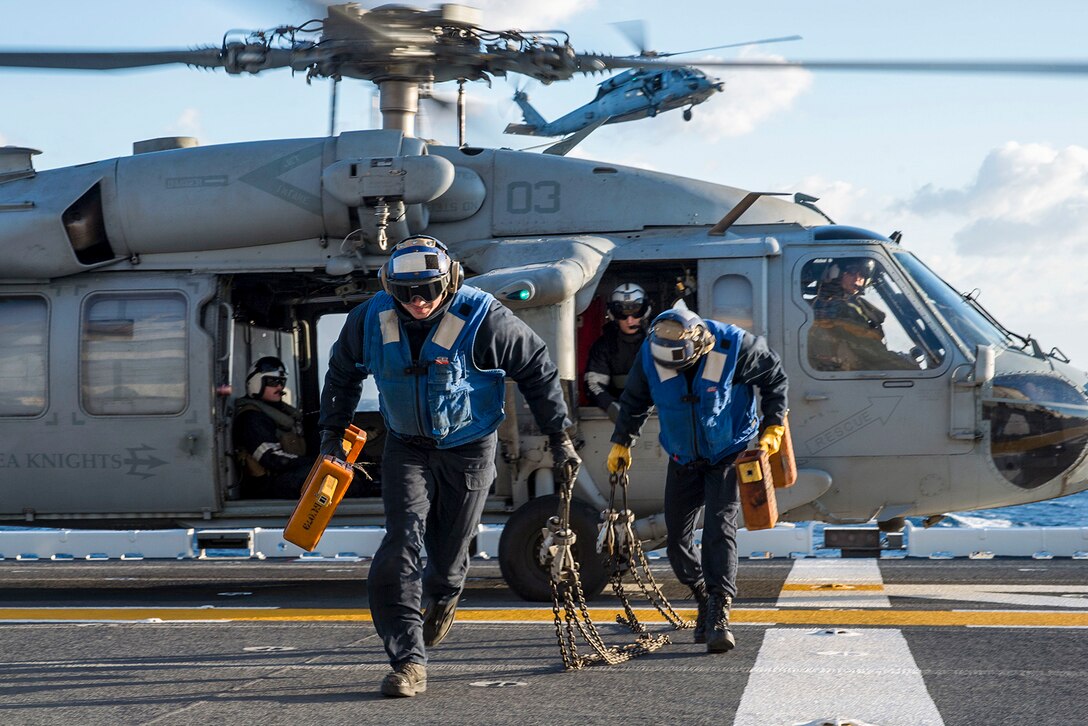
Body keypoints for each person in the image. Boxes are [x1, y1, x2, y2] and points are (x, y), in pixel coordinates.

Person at [319, 235, 579, 698]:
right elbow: (342, 373)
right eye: (406, 293)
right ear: (389, 287)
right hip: (406, 447)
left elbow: (537, 369)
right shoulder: (369, 319)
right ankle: (408, 662)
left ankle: (445, 594)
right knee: (401, 545)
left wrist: (559, 437)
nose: (418, 302)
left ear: (451, 281)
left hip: (469, 448)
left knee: (445, 561)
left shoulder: (485, 319)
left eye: (429, 291)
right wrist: (331, 437)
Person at [606, 307, 787, 654]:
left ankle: (720, 612)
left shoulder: (735, 346)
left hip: (727, 451)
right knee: (677, 540)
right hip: (683, 456)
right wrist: (621, 441)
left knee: (720, 531)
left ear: (699, 344)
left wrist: (773, 423)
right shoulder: (653, 353)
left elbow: (774, 377)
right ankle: (702, 592)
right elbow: (634, 400)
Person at [809, 258, 918, 371]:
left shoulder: (813, 305)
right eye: (851, 272)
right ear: (835, 272)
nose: (857, 279)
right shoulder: (843, 310)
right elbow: (873, 354)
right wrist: (909, 367)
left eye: (863, 274)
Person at [233, 356, 313, 499]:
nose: (280, 387)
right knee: (323, 475)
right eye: (273, 382)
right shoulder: (252, 418)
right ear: (257, 383)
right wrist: (313, 464)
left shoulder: (278, 413)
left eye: (282, 382)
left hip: (282, 477)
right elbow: (272, 458)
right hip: (266, 485)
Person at [583, 283, 651, 421]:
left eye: (636, 312)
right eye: (622, 314)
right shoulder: (603, 346)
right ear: (613, 315)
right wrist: (610, 406)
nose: (630, 320)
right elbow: (593, 384)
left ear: (645, 312)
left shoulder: (658, 342)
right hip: (616, 416)